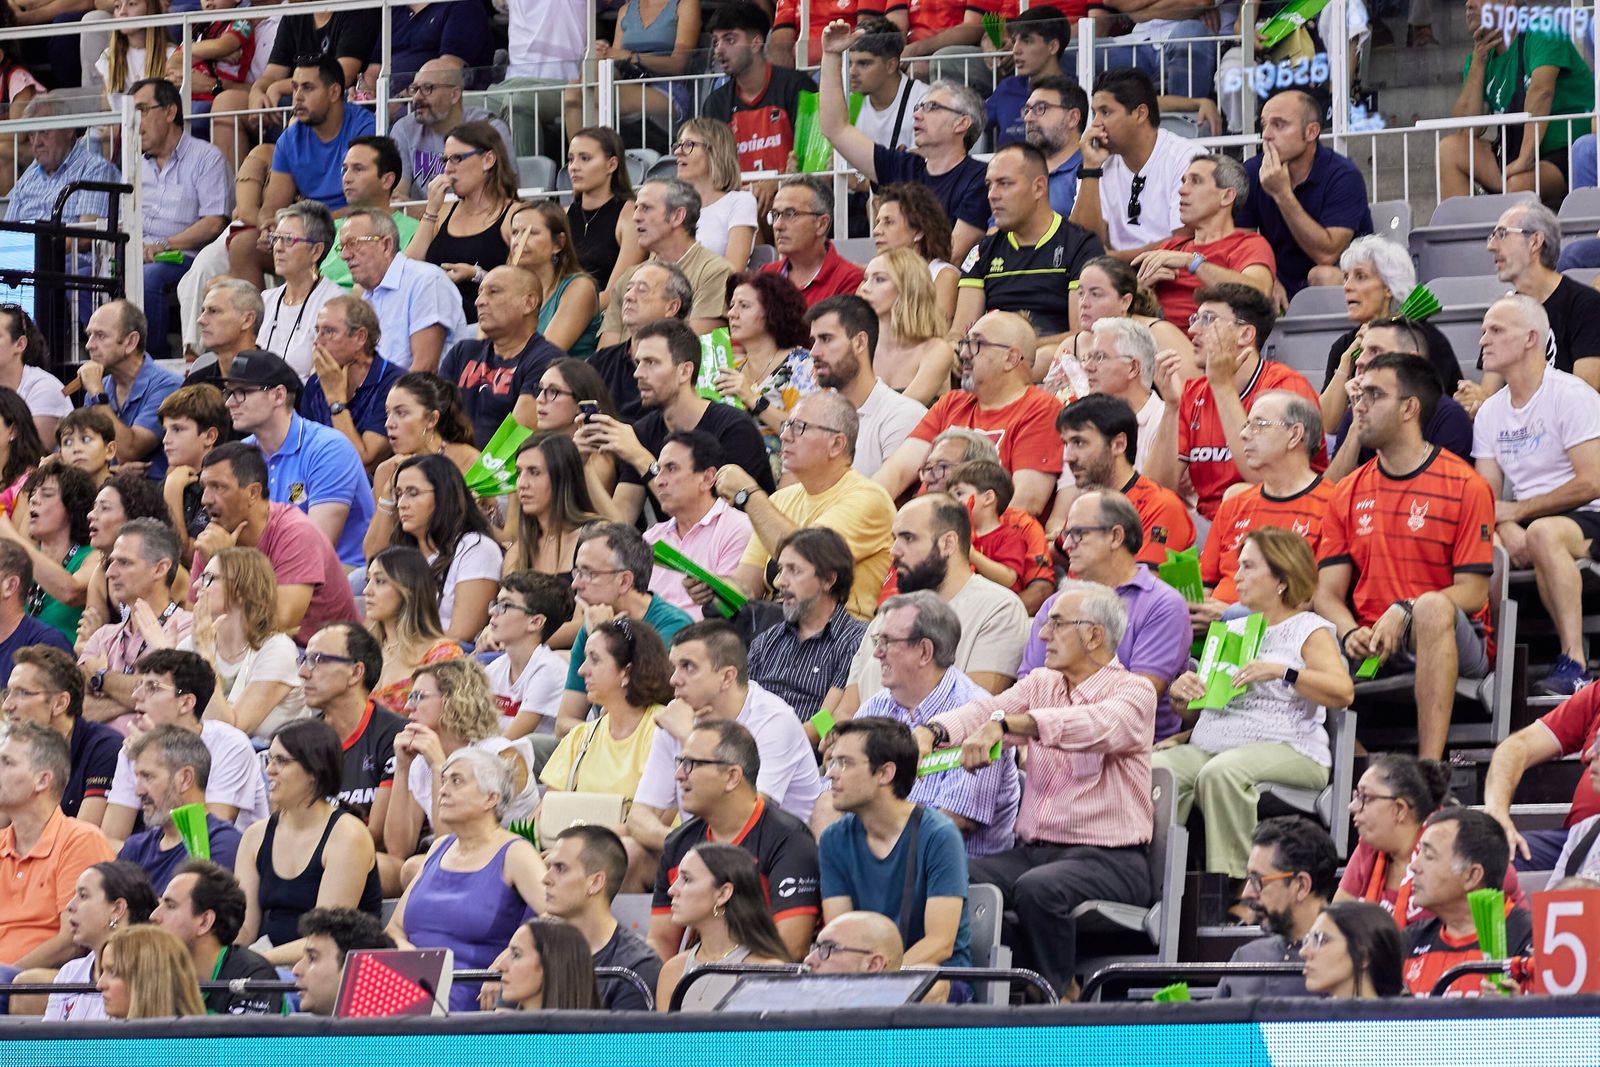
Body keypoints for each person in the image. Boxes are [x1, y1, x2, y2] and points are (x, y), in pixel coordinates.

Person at [920, 581, 1156, 997]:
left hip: (1111, 859)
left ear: (1094, 635)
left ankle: (1055, 995)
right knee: (952, 872)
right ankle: (996, 985)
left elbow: (1092, 725)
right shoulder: (1041, 683)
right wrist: (933, 731)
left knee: (1039, 888)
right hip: (1035, 852)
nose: (1043, 634)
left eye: (1057, 624)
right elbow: (984, 709)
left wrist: (1009, 725)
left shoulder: (1134, 692)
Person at [1314, 355, 1496, 761]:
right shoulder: (1346, 491)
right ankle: (1361, 766)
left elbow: (1472, 592)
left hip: (1449, 634)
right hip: (1368, 637)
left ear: (1409, 408)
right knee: (1292, 629)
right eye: (1359, 395)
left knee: (1431, 608)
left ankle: (1430, 767)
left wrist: (1406, 608)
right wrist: (1348, 631)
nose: (1359, 405)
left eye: (1374, 395)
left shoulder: (1466, 485)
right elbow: (1326, 594)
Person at [1162, 529, 1351, 884]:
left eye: (1248, 567)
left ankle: (1239, 888)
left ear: (1281, 579)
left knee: (1222, 773)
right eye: (1238, 566)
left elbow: (1343, 692)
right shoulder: (1232, 629)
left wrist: (1282, 671)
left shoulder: (1308, 629)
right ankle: (1158, 887)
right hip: (1212, 745)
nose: (1236, 576)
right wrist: (1181, 695)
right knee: (1153, 770)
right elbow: (1196, 710)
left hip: (1290, 747)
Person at [1472, 295, 1600, 696]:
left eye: (1496, 330)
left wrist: (1518, 513)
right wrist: (1507, 527)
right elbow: (1486, 499)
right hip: (1528, 521)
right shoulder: (1490, 412)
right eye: (1483, 331)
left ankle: (1575, 663)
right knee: (1481, 543)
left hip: (1589, 512)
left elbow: (1593, 482)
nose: (1483, 340)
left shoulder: (1570, 394)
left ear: (1531, 338)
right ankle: (1490, 664)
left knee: (1543, 533)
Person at [627, 622, 823, 880]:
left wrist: (689, 738)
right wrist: (689, 848)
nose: (674, 679)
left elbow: (746, 819)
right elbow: (639, 818)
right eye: (674, 667)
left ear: (727, 677)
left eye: (688, 667)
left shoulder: (774, 721)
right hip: (704, 855)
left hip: (769, 862)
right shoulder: (677, 716)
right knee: (630, 854)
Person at [838, 591, 1019, 859]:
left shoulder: (977, 715)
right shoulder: (876, 707)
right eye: (878, 641)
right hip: (874, 852)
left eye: (887, 642)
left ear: (924, 652)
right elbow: (833, 792)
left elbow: (952, 823)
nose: (877, 653)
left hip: (951, 868)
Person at [387, 746, 548, 1013]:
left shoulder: (516, 853)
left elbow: (558, 916)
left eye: (457, 781)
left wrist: (512, 956)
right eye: (444, 780)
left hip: (471, 999)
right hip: (409, 990)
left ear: (490, 798)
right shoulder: (438, 848)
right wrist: (415, 960)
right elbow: (394, 928)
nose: (443, 790)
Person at [837, 494, 1030, 717]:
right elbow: (844, 712)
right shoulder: (887, 616)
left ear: (948, 543)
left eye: (908, 538)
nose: (894, 551)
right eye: (895, 539)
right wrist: (822, 732)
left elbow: (972, 715)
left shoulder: (999, 609)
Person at [1147, 283, 1325, 522]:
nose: (1193, 330)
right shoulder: (1193, 392)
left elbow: (1268, 480)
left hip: (1279, 521)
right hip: (1212, 524)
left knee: (1236, 494)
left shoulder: (1286, 387)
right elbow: (1155, 491)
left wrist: (1222, 386)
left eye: (1208, 320)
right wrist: (1171, 407)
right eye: (1195, 319)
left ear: (1245, 334)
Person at [713, 391, 896, 620]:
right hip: (779, 625)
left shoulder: (868, 499)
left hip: (836, 632)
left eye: (799, 427)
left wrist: (749, 494)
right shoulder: (780, 500)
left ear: (836, 444)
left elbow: (808, 561)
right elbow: (746, 588)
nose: (784, 436)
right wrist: (712, 587)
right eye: (786, 425)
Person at [1021, 492, 1189, 740]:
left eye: (1078, 533)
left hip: (1130, 750)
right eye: (1066, 535)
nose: (1066, 545)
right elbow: (1028, 691)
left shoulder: (1163, 605)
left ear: (1115, 536)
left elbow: (1133, 705)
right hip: (1050, 740)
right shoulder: (1054, 605)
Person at [649, 720, 820, 960]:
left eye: (691, 764)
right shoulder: (678, 843)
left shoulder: (790, 841)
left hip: (759, 979)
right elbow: (661, 941)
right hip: (695, 974)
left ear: (732, 776)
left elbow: (791, 948)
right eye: (680, 762)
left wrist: (724, 974)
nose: (679, 775)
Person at [579, 319, 774, 526]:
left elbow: (711, 524)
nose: (638, 373)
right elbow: (620, 523)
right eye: (638, 363)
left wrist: (640, 458)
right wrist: (585, 467)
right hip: (672, 545)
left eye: (651, 362)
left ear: (685, 371)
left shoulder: (734, 428)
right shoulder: (643, 432)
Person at [819, 21, 985, 261]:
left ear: (961, 123)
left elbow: (951, 254)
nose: (917, 115)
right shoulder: (903, 167)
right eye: (918, 108)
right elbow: (835, 129)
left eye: (931, 107)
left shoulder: (979, 179)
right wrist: (831, 56)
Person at [819, 717, 970, 977]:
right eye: (832, 762)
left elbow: (940, 943)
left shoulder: (939, 835)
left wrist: (882, 981)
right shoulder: (833, 839)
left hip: (933, 978)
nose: (831, 773)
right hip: (865, 977)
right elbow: (840, 935)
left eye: (844, 763)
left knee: (929, 983)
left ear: (885, 773)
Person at [875, 311, 1064, 518]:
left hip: (977, 533)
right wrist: (859, 510)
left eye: (976, 344)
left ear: (1010, 358)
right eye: (965, 343)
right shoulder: (951, 403)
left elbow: (1026, 502)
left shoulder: (1041, 409)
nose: (964, 352)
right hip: (922, 524)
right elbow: (896, 473)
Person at [236, 719, 382, 967]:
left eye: (281, 761)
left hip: (333, 970)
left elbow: (323, 938)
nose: (269, 770)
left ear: (314, 771)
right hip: (267, 968)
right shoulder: (255, 835)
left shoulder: (348, 836)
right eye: (268, 759)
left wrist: (254, 964)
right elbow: (245, 929)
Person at [193, 442, 360, 647]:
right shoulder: (215, 535)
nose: (205, 499)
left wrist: (226, 563)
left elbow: (280, 624)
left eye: (218, 487)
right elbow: (195, 613)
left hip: (318, 653)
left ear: (253, 492)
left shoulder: (296, 532)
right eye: (204, 487)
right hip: (242, 645)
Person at [225, 349, 374, 569]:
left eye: (241, 392)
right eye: (228, 392)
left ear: (278, 395)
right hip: (270, 571)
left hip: (339, 572)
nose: (229, 402)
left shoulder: (329, 449)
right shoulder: (238, 455)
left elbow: (315, 549)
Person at [1335, 753, 1523, 924]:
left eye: (1365, 797)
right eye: (1356, 795)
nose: (1352, 807)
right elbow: (1336, 923)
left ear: (1399, 809)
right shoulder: (1370, 847)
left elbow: (1512, 917)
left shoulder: (1458, 842)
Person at [1198, 390, 1338, 615]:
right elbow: (1204, 586)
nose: (1243, 434)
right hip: (1213, 631)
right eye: (1247, 425)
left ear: (1294, 435)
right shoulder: (1234, 505)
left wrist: (1231, 616)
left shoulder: (1333, 505)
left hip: (1281, 632)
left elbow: (1318, 599)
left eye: (1259, 425)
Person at [951, 142, 1104, 346]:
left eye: (1004, 183)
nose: (992, 195)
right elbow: (959, 333)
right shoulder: (982, 250)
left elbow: (1081, 336)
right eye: (989, 185)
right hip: (989, 355)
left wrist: (1012, 349)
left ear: (1038, 187)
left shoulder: (1081, 245)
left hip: (1053, 358)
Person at [1438, 2, 1592, 203]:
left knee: (1518, 184)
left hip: (1566, 154)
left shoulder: (1542, 30)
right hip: (1512, 153)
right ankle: (1465, 224)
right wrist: (1478, 62)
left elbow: (1542, 92)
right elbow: (1467, 130)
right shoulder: (1481, 58)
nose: (1468, 4)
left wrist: (1525, 159)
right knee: (1449, 150)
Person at [550, 523, 692, 736]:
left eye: (588, 573)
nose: (575, 584)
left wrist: (603, 638)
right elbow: (563, 723)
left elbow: (628, 712)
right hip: (602, 741)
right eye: (577, 572)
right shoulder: (592, 625)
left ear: (624, 581)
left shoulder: (673, 627)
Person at [0, 722, 115, 973]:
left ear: (42, 780)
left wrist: (5, 978)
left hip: (37, 984)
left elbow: (72, 941)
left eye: (7, 762)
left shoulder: (79, 840)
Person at [1464, 203, 1600, 413]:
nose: (1491, 246)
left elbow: (1584, 397)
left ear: (1535, 241)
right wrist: (1474, 401)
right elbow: (1489, 394)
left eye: (1502, 234)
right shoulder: (1503, 314)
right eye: (1492, 237)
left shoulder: (1587, 305)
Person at [1237, 90, 1372, 297]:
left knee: (1322, 276)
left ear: (1311, 132)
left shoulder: (1343, 175)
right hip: (1281, 281)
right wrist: (1266, 275)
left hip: (1344, 279)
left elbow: (1327, 255)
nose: (1266, 135)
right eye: (1264, 125)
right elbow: (1240, 243)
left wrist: (1282, 194)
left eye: (1279, 125)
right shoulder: (1253, 171)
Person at [131, 78, 230, 359]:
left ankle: (153, 360)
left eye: (142, 111)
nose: (135, 122)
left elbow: (214, 222)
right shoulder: (134, 164)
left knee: (148, 278)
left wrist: (164, 245)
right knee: (86, 273)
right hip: (137, 252)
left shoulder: (206, 158)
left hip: (183, 255)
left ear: (170, 112)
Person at [538, 618, 673, 814]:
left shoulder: (662, 728)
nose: (581, 670)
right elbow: (545, 813)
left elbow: (652, 819)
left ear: (627, 672)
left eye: (594, 659)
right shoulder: (580, 736)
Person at [1069, 68, 1207, 255]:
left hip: (1170, 270)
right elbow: (1081, 244)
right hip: (1109, 271)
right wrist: (1090, 170)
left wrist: (1116, 259)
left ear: (1140, 114)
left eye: (1105, 112)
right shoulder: (1095, 162)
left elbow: (1185, 243)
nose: (1095, 123)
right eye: (1095, 113)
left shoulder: (1188, 158)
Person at [77, 520, 194, 739]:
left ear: (160, 568)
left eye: (124, 562)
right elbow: (78, 708)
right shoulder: (102, 636)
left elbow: (177, 697)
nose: (110, 572)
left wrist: (101, 678)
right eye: (111, 562)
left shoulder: (188, 629)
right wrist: (145, 694)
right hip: (96, 753)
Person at [1132, 154, 1276, 330]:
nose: (1182, 190)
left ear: (1226, 196)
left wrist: (1192, 262)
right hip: (1154, 339)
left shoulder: (1249, 245)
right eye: (1184, 181)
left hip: (1208, 340)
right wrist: (1142, 289)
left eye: (1196, 181)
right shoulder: (1171, 248)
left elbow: (1258, 296)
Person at [1401, 808, 1534, 997]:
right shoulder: (1408, 942)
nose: (1413, 866)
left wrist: (1517, 1010)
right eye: (1418, 854)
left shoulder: (1531, 938)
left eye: (1429, 856)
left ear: (1472, 875)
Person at [1324, 318, 1475, 484]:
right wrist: (1356, 426)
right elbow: (1332, 490)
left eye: (1374, 351)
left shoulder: (1449, 416)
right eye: (1361, 351)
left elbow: (1446, 492)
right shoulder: (1358, 411)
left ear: (1411, 361)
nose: (1360, 360)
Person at [1054, 392, 1194, 569]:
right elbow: (1055, 555)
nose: (1068, 457)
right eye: (1066, 444)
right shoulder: (1086, 503)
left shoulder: (1161, 506)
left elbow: (1144, 584)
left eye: (1079, 442)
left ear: (1118, 444)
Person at [298, 622, 406, 843]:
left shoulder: (395, 735)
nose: (303, 672)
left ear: (356, 672)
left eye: (317, 660)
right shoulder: (302, 740)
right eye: (304, 660)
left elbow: (376, 835)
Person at [748, 527, 869, 722]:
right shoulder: (767, 640)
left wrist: (788, 739)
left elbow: (827, 720)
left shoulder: (856, 641)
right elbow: (742, 703)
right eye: (781, 570)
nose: (780, 582)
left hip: (811, 740)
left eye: (793, 570)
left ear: (828, 580)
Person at [376, 455, 501, 644]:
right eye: (399, 494)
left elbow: (462, 634)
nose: (401, 504)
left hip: (447, 653)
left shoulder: (476, 548)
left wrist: (401, 647)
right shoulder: (403, 550)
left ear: (444, 496)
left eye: (413, 493)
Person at [656, 841, 792, 1011]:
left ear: (723, 893)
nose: (671, 890)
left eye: (686, 879)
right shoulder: (672, 970)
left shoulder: (767, 972)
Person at [185, 547, 305, 740]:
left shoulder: (277, 650)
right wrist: (160, 650)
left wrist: (205, 658)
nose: (196, 585)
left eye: (208, 578)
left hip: (267, 755)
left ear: (242, 590)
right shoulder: (199, 641)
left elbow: (230, 732)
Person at [1323, 236, 1462, 401]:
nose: (1347, 286)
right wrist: (1346, 361)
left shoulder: (1423, 339)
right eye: (1346, 277)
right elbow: (1324, 417)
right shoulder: (1344, 346)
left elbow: (1424, 407)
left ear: (1389, 287)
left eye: (1360, 277)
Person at [1214, 817, 1340, 999]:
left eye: (1258, 880)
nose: (1247, 893)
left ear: (1301, 886)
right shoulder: (1246, 957)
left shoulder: (1345, 966)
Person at [596, 179, 733, 346]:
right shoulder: (629, 277)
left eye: (646, 208)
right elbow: (605, 355)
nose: (636, 217)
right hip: (623, 362)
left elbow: (704, 349)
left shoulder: (715, 272)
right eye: (636, 208)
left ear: (677, 216)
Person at [541, 825, 663, 1010]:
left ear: (596, 882)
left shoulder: (636, 967)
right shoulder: (533, 950)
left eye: (560, 868)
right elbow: (504, 1020)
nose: (546, 879)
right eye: (549, 867)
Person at [406, 122, 519, 323]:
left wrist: (476, 274)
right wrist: (431, 210)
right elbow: (409, 269)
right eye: (445, 160)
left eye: (457, 159)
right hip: (433, 319)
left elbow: (521, 284)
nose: (447, 169)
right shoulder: (442, 212)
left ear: (488, 160)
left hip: (483, 323)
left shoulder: (513, 215)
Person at [1040, 258, 1192, 405]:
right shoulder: (1070, 346)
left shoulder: (1159, 333)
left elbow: (1193, 397)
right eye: (1081, 293)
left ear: (1125, 301)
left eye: (1095, 294)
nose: (1084, 303)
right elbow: (1054, 404)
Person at [339, 207, 467, 374]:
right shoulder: (366, 297)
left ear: (386, 245)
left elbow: (425, 368)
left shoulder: (425, 281)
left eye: (353, 243)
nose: (344, 255)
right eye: (341, 247)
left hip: (414, 390)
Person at [117, 726, 243, 892]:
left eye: (148, 776)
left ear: (185, 779)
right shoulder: (135, 847)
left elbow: (197, 906)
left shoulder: (222, 843)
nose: (138, 791)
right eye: (137, 777)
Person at [643, 432, 755, 614]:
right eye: (658, 470)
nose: (658, 481)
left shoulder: (737, 528)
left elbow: (731, 613)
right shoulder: (651, 538)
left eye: (671, 468)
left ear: (707, 478)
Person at [701, 2, 817, 177]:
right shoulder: (715, 102)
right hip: (738, 192)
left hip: (792, 189)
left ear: (756, 43)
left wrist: (778, 182)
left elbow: (811, 159)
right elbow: (717, 171)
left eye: (730, 40)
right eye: (716, 42)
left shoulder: (797, 86)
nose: (719, 50)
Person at [3, 646, 117, 824]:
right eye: (8, 693)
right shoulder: (15, 748)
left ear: (60, 703)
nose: (7, 706)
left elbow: (85, 835)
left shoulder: (103, 748)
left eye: (22, 693)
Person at [152, 861, 282, 1016]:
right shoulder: (157, 972)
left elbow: (244, 1033)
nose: (154, 916)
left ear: (205, 922)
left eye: (170, 906)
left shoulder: (253, 975)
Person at [34, 860, 156, 1022]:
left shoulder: (148, 971)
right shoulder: (69, 973)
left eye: (83, 896)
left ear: (117, 909)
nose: (70, 906)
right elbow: (49, 1036)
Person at [75, 300, 183, 477]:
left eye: (100, 335)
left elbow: (128, 450)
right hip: (108, 489)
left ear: (131, 342)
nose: (89, 345)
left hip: (154, 490)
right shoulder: (99, 388)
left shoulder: (169, 386)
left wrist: (96, 393)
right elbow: (87, 455)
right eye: (89, 335)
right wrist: (112, 471)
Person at [298, 296, 403, 471]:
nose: (317, 342)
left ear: (360, 337)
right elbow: (304, 451)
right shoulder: (315, 383)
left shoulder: (394, 383)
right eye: (317, 331)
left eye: (329, 332)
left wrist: (335, 400)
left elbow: (363, 460)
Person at [713, 271, 815, 446]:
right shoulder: (730, 367)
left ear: (772, 311)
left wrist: (752, 399)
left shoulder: (802, 365)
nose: (732, 314)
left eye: (744, 306)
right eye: (732, 305)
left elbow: (808, 433)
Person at [386, 56, 511, 195]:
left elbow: (505, 193)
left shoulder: (490, 128)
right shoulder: (404, 129)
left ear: (454, 95)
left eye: (427, 88)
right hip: (426, 210)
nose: (417, 97)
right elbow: (397, 196)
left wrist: (432, 206)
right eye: (414, 89)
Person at [586, 261, 693, 423]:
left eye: (642, 290)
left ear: (672, 308)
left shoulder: (688, 366)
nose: (628, 296)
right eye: (628, 289)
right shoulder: (601, 361)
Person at [362, 545, 462, 715]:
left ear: (408, 588)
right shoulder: (363, 650)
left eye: (379, 581)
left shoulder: (442, 655)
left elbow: (452, 719)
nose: (366, 591)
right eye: (368, 581)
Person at [8, 466, 97, 644]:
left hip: (64, 659)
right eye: (33, 494)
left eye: (46, 494)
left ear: (72, 506)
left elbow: (71, 591)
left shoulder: (92, 556)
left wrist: (8, 534)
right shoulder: (26, 557)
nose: (34, 500)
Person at [856, 247, 954, 408]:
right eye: (866, 279)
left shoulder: (936, 350)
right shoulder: (859, 347)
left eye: (879, 279)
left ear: (907, 288)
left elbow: (903, 412)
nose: (865, 288)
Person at [502, 433, 601, 589]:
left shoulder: (596, 537)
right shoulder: (517, 553)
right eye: (519, 473)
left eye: (534, 472)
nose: (522, 484)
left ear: (562, 477)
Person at [4, 98, 121, 227]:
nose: (37, 143)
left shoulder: (96, 169)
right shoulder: (27, 178)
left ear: (68, 130)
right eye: (31, 134)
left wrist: (42, 240)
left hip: (61, 240)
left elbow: (87, 233)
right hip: (25, 240)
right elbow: (7, 231)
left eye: (44, 132)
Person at [258, 200, 340, 380]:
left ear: (316, 251)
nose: (278, 248)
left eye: (288, 240)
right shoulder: (266, 300)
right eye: (275, 238)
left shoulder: (334, 303)